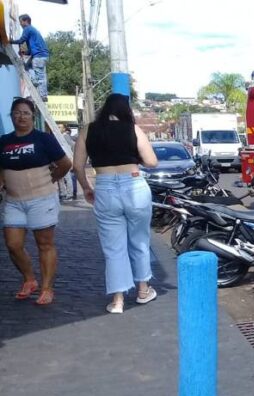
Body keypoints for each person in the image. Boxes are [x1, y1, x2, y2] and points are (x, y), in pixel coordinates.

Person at [73, 94, 159, 314]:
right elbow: (151, 161)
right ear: (125, 110)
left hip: (104, 187)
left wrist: (86, 188)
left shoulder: (87, 131)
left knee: (113, 248)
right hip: (134, 185)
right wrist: (133, 159)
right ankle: (143, 290)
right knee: (140, 240)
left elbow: (77, 166)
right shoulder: (133, 129)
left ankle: (118, 301)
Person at [0, 98, 72, 305]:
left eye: (25, 113)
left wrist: (54, 178)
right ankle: (29, 279)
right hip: (14, 201)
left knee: (44, 244)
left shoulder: (43, 139)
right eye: (16, 113)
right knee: (13, 245)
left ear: (32, 117)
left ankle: (47, 288)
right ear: (11, 116)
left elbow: (64, 164)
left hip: (42, 199)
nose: (20, 117)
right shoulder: (4, 141)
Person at [10, 14, 49, 101]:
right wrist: (25, 52)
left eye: (21, 22)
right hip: (39, 55)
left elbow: (21, 40)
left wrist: (10, 41)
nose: (20, 24)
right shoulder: (33, 31)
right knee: (27, 66)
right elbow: (31, 49)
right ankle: (34, 81)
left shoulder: (28, 29)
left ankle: (43, 95)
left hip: (39, 56)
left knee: (40, 76)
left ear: (25, 21)